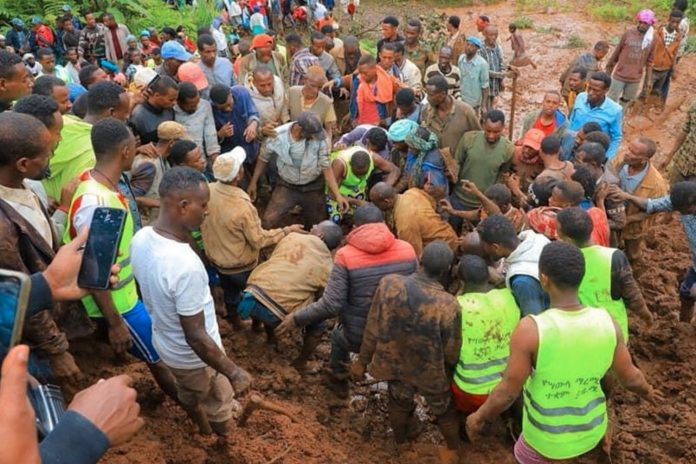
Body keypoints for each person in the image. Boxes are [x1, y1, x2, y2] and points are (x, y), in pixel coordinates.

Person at [467, 241, 660, 462]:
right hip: (591, 432)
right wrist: (648, 392)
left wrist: (478, 417)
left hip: (544, 440)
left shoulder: (531, 330)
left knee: (523, 455)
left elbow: (508, 393)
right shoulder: (607, 322)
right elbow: (631, 378)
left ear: (544, 279)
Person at [132, 166, 252, 436]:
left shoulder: (141, 238)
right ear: (184, 206)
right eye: (204, 204)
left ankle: (200, 424)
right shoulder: (184, 266)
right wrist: (233, 372)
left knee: (188, 391)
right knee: (219, 400)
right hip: (195, 359)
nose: (207, 210)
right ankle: (223, 437)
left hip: (165, 344)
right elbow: (196, 335)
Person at [276, 204, 418, 398]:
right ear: (384, 224)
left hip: (358, 336)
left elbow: (331, 304)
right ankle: (400, 396)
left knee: (337, 337)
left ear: (355, 228)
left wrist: (296, 318)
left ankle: (338, 380)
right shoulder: (408, 250)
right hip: (400, 335)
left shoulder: (346, 255)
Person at [352, 241, 462, 463]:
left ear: (420, 259)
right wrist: (449, 370)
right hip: (429, 371)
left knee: (398, 403)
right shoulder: (448, 305)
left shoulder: (389, 284)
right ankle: (452, 450)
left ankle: (401, 444)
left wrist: (362, 362)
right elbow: (452, 350)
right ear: (446, 271)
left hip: (394, 363)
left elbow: (372, 326)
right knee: (444, 411)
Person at [0, 112, 79, 384]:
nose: (51, 159)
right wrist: (57, 351)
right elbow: (20, 292)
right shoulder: (3, 227)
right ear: (23, 164)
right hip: (29, 346)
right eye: (46, 154)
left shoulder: (24, 187)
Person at [201, 148, 304, 328]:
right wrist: (287, 231)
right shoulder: (242, 206)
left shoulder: (207, 191)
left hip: (217, 261)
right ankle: (256, 325)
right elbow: (259, 240)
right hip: (240, 265)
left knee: (230, 293)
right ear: (238, 175)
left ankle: (236, 322)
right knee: (253, 295)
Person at [239, 219, 343, 365]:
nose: (312, 226)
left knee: (273, 277)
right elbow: (323, 300)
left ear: (320, 235)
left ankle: (261, 331)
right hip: (275, 315)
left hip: (249, 295)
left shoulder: (292, 237)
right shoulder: (328, 266)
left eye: (315, 226)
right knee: (318, 321)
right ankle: (300, 363)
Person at [556, 207, 653, 342]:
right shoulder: (614, 257)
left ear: (566, 238)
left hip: (579, 335)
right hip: (613, 333)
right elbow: (632, 294)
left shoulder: (559, 261)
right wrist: (647, 317)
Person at [248, 112, 348, 228]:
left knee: (318, 226)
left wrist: (338, 195)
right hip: (287, 186)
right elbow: (263, 159)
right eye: (312, 135)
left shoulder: (322, 138)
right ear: (299, 130)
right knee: (267, 222)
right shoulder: (277, 135)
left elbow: (326, 168)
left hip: (313, 186)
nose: (316, 138)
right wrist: (253, 182)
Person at [615, 181, 696, 322]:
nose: (682, 213)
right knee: (686, 294)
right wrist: (627, 196)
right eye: (679, 210)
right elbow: (651, 205)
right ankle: (685, 325)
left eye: (686, 210)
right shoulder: (681, 202)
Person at [451, 254, 520, 414]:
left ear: (461, 281)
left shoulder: (458, 306)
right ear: (488, 275)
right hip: (506, 386)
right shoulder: (508, 297)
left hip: (469, 388)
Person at [43, 81, 130, 203]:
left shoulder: (60, 124)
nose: (127, 117)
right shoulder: (98, 150)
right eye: (126, 112)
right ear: (111, 112)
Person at [608, 137, 668, 261]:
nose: (627, 153)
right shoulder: (621, 160)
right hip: (612, 215)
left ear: (643, 160)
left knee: (632, 254)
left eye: (633, 153)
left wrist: (628, 220)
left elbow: (653, 210)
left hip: (633, 226)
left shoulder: (656, 184)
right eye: (629, 148)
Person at [478, 214, 550, 316]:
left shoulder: (523, 281)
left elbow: (534, 319)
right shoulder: (538, 239)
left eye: (484, 246)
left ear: (496, 247)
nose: (483, 249)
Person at [451, 110, 513, 216]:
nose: (491, 136)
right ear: (483, 125)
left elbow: (502, 175)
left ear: (503, 127)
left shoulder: (508, 149)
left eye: (496, 132)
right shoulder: (469, 139)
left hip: (484, 204)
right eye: (488, 131)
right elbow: (456, 165)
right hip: (459, 198)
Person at [130, 121, 188, 225]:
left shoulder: (163, 159)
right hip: (144, 223)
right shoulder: (149, 165)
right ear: (172, 143)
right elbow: (130, 197)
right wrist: (161, 203)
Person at [394, 173, 459, 256]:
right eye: (427, 182)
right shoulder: (415, 193)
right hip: (449, 239)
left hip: (445, 248)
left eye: (431, 184)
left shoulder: (413, 193)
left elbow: (414, 254)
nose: (428, 185)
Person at [328, 147, 398, 223]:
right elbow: (332, 194)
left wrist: (384, 188)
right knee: (336, 219)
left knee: (364, 216)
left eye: (363, 174)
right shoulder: (340, 165)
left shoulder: (374, 158)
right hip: (337, 191)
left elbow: (395, 170)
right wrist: (356, 202)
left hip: (357, 189)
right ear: (351, 165)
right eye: (357, 174)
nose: (360, 177)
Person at [606, 9, 656, 108]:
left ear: (650, 24)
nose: (642, 25)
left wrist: (648, 81)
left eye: (645, 23)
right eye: (640, 22)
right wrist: (608, 70)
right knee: (610, 101)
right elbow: (617, 53)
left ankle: (619, 121)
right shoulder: (628, 33)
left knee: (625, 102)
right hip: (620, 75)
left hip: (635, 79)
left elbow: (650, 62)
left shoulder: (651, 39)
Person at [334, 55, 401, 128]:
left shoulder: (388, 80)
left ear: (374, 69)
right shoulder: (358, 79)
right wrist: (335, 81)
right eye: (360, 72)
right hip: (359, 123)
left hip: (379, 124)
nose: (362, 75)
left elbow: (402, 90)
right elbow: (346, 79)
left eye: (365, 73)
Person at [568, 71, 623, 160]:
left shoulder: (615, 110)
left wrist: (607, 158)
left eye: (596, 90)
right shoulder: (580, 97)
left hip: (591, 154)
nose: (590, 92)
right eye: (589, 88)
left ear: (606, 90)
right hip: (571, 147)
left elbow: (616, 138)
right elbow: (572, 119)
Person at [421, 75, 480, 153]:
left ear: (443, 94)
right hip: (436, 162)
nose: (427, 98)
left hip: (459, 162)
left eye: (431, 95)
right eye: (427, 94)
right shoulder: (426, 111)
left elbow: (478, 137)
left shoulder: (465, 111)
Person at [209, 83, 260, 168]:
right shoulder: (209, 109)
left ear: (231, 94)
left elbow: (253, 113)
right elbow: (209, 139)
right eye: (222, 108)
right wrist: (220, 134)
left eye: (229, 104)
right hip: (231, 154)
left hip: (251, 147)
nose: (228, 109)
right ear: (215, 104)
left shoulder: (242, 92)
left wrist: (253, 125)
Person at [174, 80, 220, 165]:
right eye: (191, 106)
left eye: (197, 103)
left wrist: (215, 157)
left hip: (202, 160)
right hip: (182, 163)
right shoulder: (171, 110)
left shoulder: (204, 106)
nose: (195, 108)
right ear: (179, 102)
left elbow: (210, 134)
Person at [288, 65, 337, 138]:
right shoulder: (292, 92)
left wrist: (327, 146)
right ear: (304, 80)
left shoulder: (326, 102)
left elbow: (329, 130)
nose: (315, 91)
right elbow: (285, 116)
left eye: (319, 87)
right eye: (312, 86)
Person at [129, 75, 178, 145]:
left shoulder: (169, 110)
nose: (174, 103)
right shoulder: (138, 116)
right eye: (171, 100)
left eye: (176, 99)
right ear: (157, 95)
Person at [246, 64, 289, 141]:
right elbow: (247, 126)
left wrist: (286, 121)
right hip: (262, 140)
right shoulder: (246, 96)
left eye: (269, 84)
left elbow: (284, 104)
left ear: (273, 79)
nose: (267, 89)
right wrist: (262, 131)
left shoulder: (278, 82)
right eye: (262, 86)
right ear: (254, 82)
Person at [661, 99, 696, 184]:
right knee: (673, 192)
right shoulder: (694, 106)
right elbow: (684, 131)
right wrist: (670, 156)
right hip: (682, 162)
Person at [457, 36, 489, 117]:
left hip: (473, 103)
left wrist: (483, 105)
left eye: (472, 46)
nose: (468, 47)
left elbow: (485, 86)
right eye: (467, 44)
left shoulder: (482, 64)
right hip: (460, 98)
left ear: (477, 49)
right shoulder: (461, 59)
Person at [479, 25, 508, 111]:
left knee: (492, 105)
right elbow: (483, 70)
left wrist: (501, 80)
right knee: (484, 107)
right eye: (490, 35)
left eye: (495, 35)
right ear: (485, 34)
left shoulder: (498, 48)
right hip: (484, 85)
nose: (493, 37)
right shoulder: (480, 49)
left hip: (495, 84)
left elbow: (501, 64)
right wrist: (501, 75)